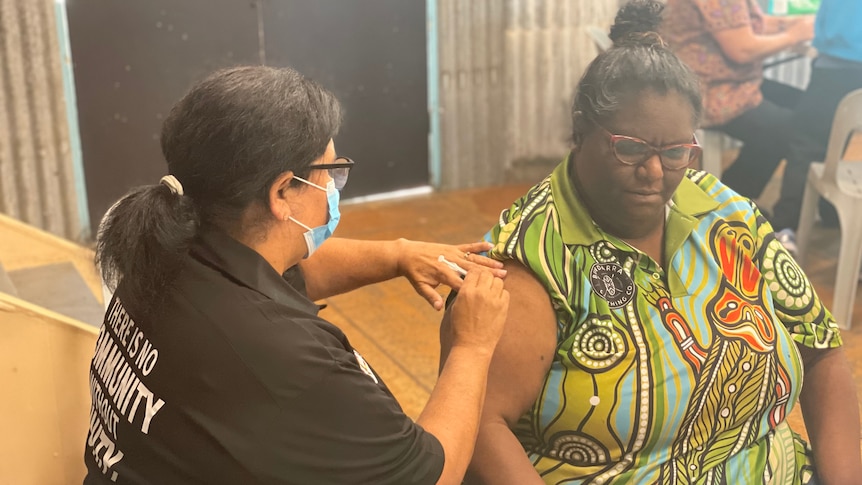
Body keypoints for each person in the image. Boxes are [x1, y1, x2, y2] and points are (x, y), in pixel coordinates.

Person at [441, 1, 861, 483]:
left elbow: (821, 349)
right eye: (631, 149)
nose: (655, 172)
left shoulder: (727, 215)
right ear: (580, 130)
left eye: (676, 152)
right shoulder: (532, 261)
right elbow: (480, 423)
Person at [84, 65, 511, 484]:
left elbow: (287, 269)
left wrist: (398, 255)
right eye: (330, 172)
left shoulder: (167, 250)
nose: (335, 188)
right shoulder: (286, 358)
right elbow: (433, 475)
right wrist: (472, 345)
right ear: (283, 192)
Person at [661, 0, 814, 201]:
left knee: (809, 111)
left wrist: (787, 24)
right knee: (786, 129)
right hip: (706, 91)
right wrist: (793, 35)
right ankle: (726, 205)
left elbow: (742, 25)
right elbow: (742, 50)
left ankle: (805, 205)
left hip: (727, 82)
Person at [767, 0, 862, 253]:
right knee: (836, 143)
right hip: (843, 57)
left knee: (806, 147)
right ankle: (831, 213)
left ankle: (787, 227)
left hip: (838, 61)